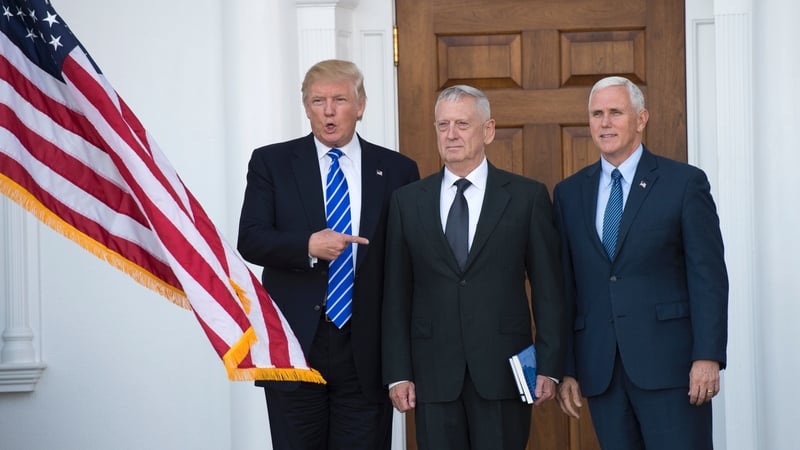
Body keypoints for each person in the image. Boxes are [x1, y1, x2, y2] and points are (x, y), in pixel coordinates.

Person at [237, 59, 420, 450]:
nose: (329, 111)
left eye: (339, 99)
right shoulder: (272, 163)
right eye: (318, 101)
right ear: (306, 108)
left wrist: (403, 359)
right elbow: (250, 239)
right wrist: (307, 246)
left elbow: (408, 263)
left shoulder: (398, 170)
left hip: (366, 348)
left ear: (361, 105)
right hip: (295, 345)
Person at [381, 84, 565, 450]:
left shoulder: (526, 197)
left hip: (504, 371)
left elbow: (549, 289)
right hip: (433, 374)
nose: (451, 134)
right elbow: (396, 294)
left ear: (488, 130)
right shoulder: (407, 201)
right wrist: (397, 373)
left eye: (462, 124)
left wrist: (549, 364)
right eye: (443, 125)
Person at [553, 76, 729, 450]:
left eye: (615, 112)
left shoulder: (684, 183)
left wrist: (708, 356)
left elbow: (708, 277)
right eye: (596, 114)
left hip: (672, 369)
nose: (604, 123)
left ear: (641, 118)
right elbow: (566, 287)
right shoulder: (569, 193)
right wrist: (567, 368)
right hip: (601, 370)